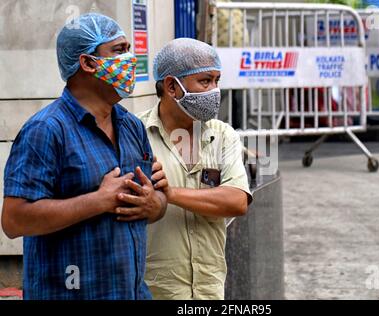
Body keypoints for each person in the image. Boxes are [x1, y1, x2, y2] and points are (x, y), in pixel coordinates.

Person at [1, 13, 167, 300]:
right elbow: (14, 220)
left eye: (128, 49)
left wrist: (155, 204)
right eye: (119, 51)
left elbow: (157, 201)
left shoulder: (132, 126)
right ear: (88, 63)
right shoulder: (46, 130)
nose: (129, 60)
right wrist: (97, 201)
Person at [138, 38, 253, 300]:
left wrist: (169, 193)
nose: (214, 91)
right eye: (205, 81)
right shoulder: (135, 134)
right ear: (171, 86)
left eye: (217, 80)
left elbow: (236, 201)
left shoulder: (223, 135)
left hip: (209, 290)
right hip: (154, 290)